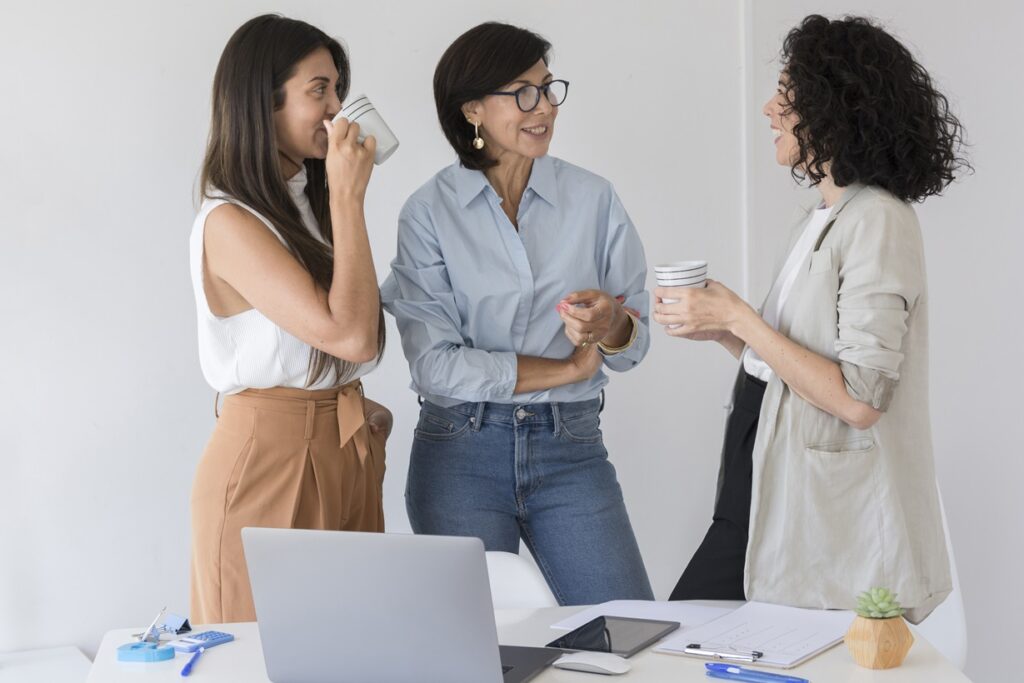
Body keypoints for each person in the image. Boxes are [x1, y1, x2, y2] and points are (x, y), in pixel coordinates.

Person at [657, 14, 969, 623]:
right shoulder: (822, 218)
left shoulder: (878, 220)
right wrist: (724, 328)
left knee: (677, 642)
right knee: (689, 642)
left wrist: (743, 319)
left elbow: (860, 398)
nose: (770, 109)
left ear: (835, 107)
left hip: (819, 509)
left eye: (787, 93)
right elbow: (792, 368)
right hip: (757, 486)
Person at [381, 22, 653, 605]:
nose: (544, 108)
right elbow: (436, 367)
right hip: (460, 452)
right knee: (472, 651)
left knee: (628, 631)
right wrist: (567, 370)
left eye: (549, 89)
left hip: (572, 447)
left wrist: (610, 325)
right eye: (523, 93)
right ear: (473, 108)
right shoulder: (428, 214)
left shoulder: (594, 198)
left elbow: (636, 341)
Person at [188, 14, 391, 623]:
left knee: (350, 651)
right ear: (262, 102)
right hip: (270, 462)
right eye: (319, 90)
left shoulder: (309, 202)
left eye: (337, 89)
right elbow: (351, 335)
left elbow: (355, 337)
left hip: (341, 445)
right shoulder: (229, 222)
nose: (337, 111)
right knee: (260, 657)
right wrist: (350, 196)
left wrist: (345, 405)